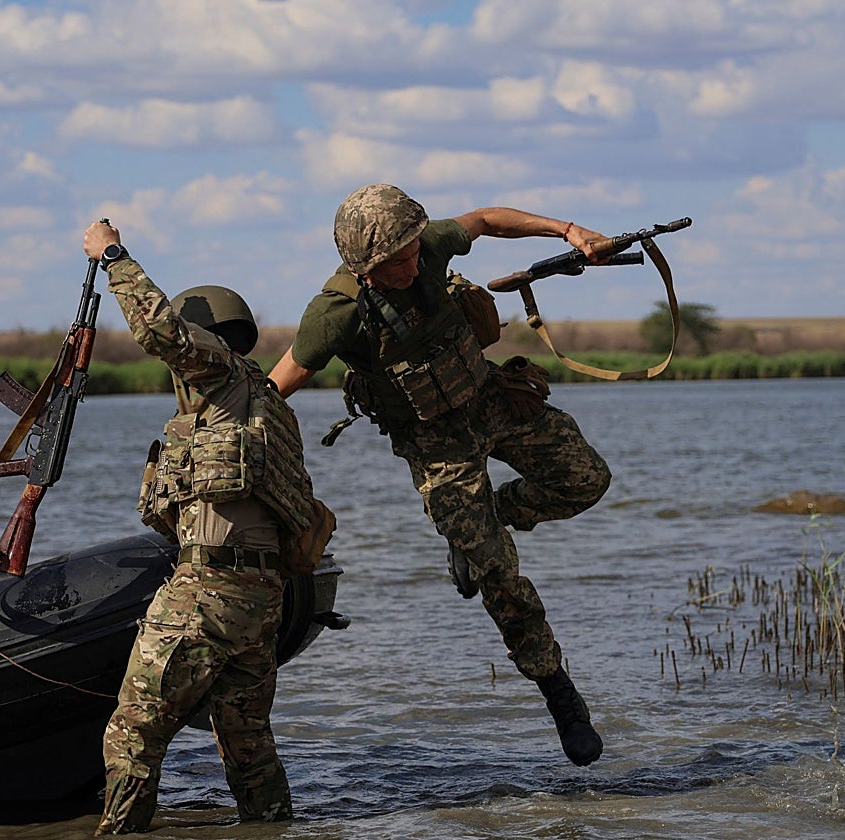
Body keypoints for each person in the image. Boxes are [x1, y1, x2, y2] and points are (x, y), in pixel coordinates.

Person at [268, 184, 612, 767]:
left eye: (414, 253)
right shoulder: (334, 315)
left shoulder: (424, 245)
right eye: (396, 263)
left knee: (587, 480)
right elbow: (275, 387)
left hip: (491, 399)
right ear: (363, 266)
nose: (412, 266)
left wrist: (569, 231)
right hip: (435, 443)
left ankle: (481, 524)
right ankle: (559, 691)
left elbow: (486, 218)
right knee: (498, 571)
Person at [84, 221, 327, 833]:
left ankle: (120, 833)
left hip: (209, 591)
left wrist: (113, 256)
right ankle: (271, 828)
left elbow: (158, 328)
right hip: (261, 601)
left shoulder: (218, 371)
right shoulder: (264, 405)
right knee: (249, 745)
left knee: (133, 730)